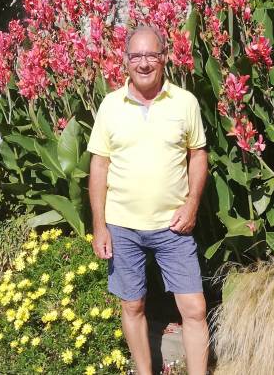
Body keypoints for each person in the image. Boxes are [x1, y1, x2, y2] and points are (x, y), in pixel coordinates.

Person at [87, 25, 209, 375]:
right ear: (125, 61)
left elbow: (198, 155)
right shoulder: (111, 105)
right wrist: (100, 226)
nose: (143, 63)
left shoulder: (184, 102)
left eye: (151, 55)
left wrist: (192, 205)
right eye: (136, 56)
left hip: (174, 226)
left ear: (164, 58)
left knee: (195, 310)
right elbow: (99, 166)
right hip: (122, 226)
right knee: (133, 306)